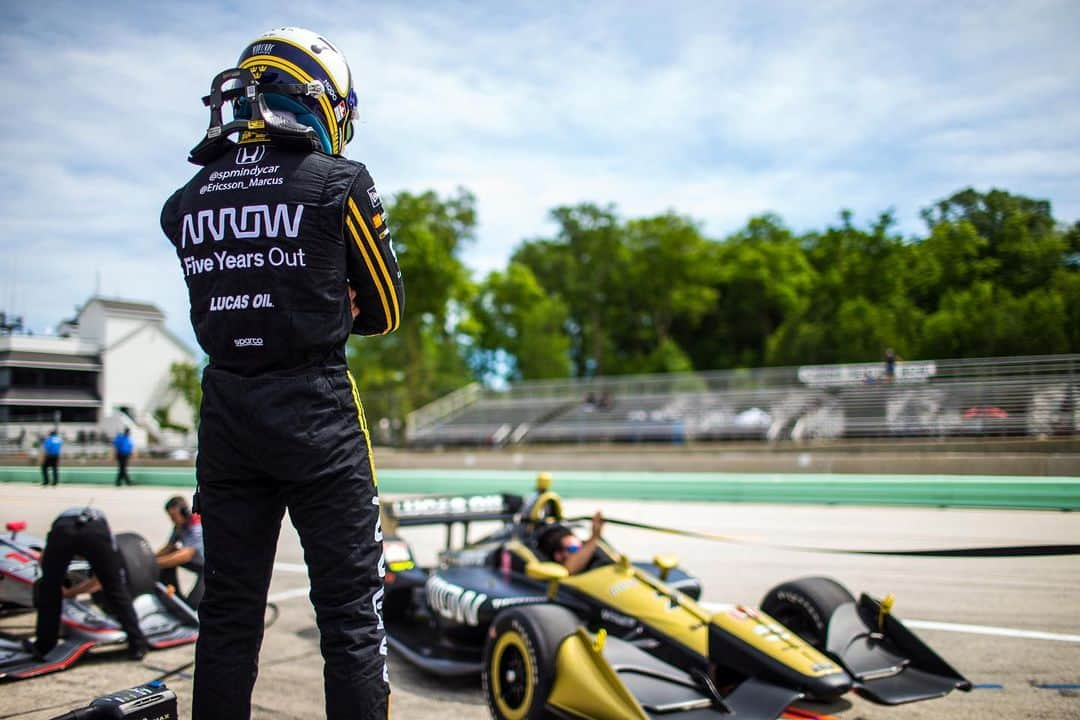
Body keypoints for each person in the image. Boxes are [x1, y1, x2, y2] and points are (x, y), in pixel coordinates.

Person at [160, 27, 403, 720]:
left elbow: (230, 285)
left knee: (228, 615)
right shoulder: (340, 182)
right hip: (318, 417)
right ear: (320, 99)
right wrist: (330, 298)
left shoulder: (188, 199)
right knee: (352, 618)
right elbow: (385, 309)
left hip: (227, 421)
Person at [26, 507, 149, 660]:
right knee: (116, 589)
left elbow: (44, 561)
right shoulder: (102, 528)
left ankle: (44, 646)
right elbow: (104, 581)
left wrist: (57, 584)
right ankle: (138, 644)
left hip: (64, 532)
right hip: (94, 532)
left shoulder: (61, 525)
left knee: (49, 589)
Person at [156, 496, 205, 609]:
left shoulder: (197, 526)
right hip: (197, 561)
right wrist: (150, 558)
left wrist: (155, 563)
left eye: (173, 516)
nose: (172, 520)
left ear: (184, 512)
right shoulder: (179, 526)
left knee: (194, 605)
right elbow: (168, 548)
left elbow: (186, 555)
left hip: (207, 566)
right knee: (170, 555)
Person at [538, 512, 605, 575]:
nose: (583, 550)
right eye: (574, 549)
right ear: (559, 556)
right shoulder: (563, 570)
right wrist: (594, 537)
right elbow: (569, 570)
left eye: (582, 546)